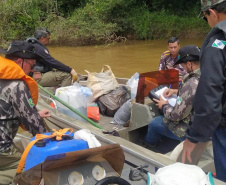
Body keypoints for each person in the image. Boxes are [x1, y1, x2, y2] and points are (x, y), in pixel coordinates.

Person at [182, 0, 226, 182]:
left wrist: (193, 137)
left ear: (212, 13)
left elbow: (210, 93)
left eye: (205, 17)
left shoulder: (218, 44)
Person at [0, 41, 50, 184]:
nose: (32, 70)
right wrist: (51, 142)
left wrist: (34, 114)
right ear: (20, 61)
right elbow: (37, 128)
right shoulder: (17, 85)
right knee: (31, 169)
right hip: (2, 150)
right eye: (32, 66)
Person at [145, 45, 200, 147]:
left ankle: (149, 146)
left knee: (154, 123)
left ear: (189, 64)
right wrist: (175, 91)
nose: (183, 68)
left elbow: (176, 116)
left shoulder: (191, 83)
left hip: (192, 130)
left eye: (183, 66)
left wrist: (164, 105)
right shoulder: (207, 74)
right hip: (204, 124)